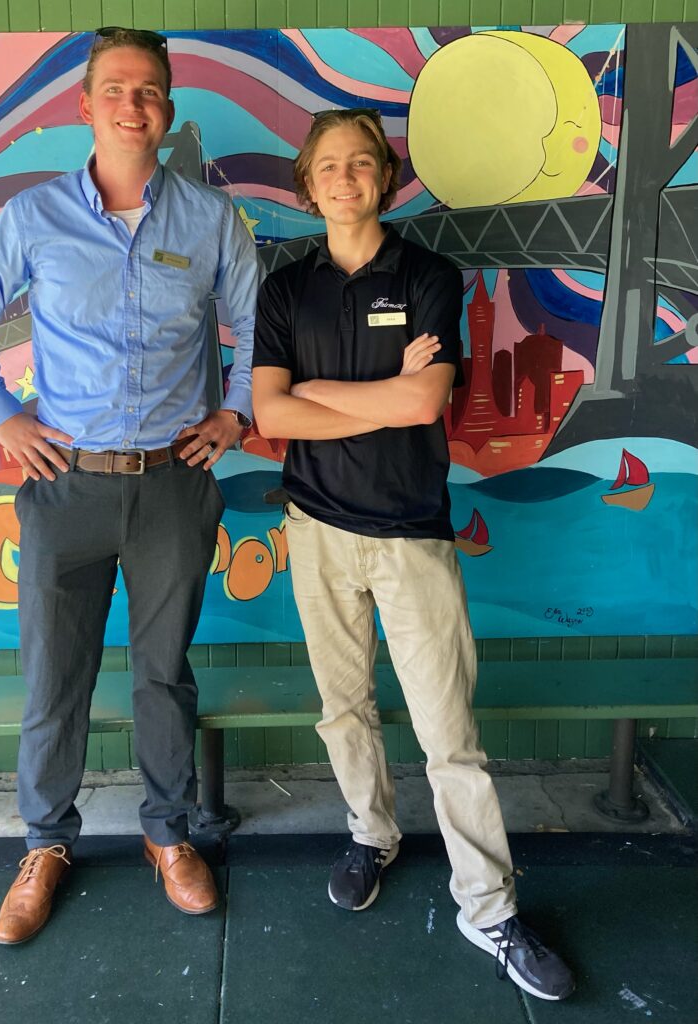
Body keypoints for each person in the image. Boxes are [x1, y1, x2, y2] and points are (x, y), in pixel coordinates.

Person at [0, 27, 261, 943]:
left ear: (168, 111)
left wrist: (234, 414)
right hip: (64, 485)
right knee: (55, 678)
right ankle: (45, 842)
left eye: (151, 89)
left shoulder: (210, 221)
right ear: (84, 107)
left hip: (172, 485)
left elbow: (252, 326)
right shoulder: (34, 216)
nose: (134, 103)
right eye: (115, 88)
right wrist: (4, 418)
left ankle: (170, 833)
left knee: (164, 675)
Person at [251, 108, 574, 1001]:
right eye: (328, 165)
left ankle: (489, 908)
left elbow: (422, 407)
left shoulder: (429, 273)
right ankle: (371, 834)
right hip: (314, 529)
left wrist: (330, 390)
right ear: (306, 181)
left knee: (449, 738)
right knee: (343, 710)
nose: (345, 177)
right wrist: (377, 390)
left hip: (410, 533)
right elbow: (271, 417)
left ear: (384, 178)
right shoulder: (284, 289)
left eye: (362, 163)